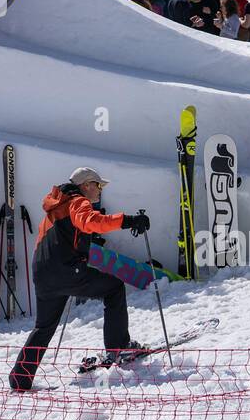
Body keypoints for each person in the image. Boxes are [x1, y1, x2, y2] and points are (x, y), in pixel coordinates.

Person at [9, 168, 149, 391]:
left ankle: (20, 378)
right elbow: (91, 222)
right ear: (86, 185)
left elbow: (46, 242)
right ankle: (119, 347)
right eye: (98, 185)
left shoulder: (55, 207)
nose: (100, 190)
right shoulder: (77, 202)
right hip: (65, 271)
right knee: (114, 288)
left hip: (42, 274)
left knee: (43, 327)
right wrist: (129, 220)